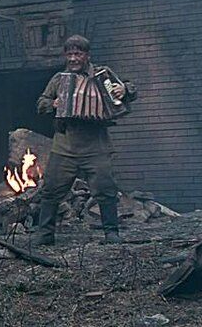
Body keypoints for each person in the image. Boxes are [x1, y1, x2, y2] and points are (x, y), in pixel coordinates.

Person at [32, 34, 136, 245]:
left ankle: (111, 233)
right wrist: (52, 104)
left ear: (87, 55)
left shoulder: (103, 75)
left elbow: (129, 90)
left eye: (78, 54)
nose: (73, 59)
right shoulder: (59, 79)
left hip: (96, 143)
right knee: (51, 190)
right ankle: (45, 234)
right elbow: (41, 103)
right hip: (65, 143)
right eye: (69, 54)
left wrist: (124, 89)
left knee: (106, 189)